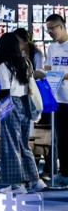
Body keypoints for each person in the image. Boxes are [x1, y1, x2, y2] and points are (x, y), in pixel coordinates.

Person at [0, 32, 46, 194]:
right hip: (25, 104)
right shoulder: (26, 62)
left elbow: (5, 90)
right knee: (23, 144)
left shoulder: (4, 65)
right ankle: (34, 180)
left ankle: (16, 185)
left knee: (10, 144)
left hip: (10, 104)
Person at [44, 14, 68, 187]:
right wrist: (44, 73)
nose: (50, 32)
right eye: (47, 30)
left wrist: (57, 75)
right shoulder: (52, 48)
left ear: (61, 27)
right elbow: (47, 67)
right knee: (62, 139)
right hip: (58, 99)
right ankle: (65, 173)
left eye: (51, 28)